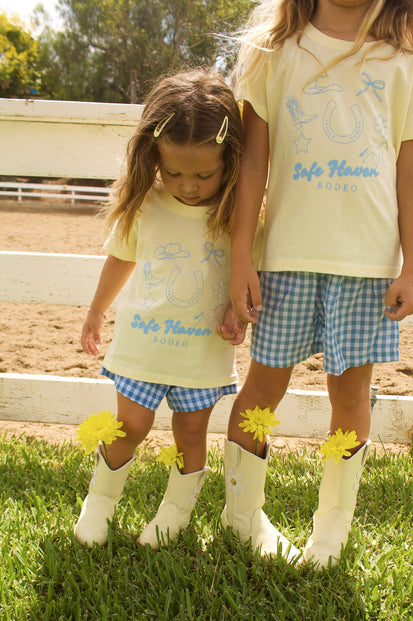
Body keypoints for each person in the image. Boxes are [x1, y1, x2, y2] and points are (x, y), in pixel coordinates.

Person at [219, 0, 413, 567]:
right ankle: (242, 514)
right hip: (286, 258)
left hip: (366, 265)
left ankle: (331, 530)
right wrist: (240, 258)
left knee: (349, 396)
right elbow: (252, 166)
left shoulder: (408, 63)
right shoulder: (275, 53)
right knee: (262, 390)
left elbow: (412, 171)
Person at [74, 69, 247, 550]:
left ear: (229, 160)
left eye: (203, 174)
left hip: (201, 353)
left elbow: (249, 277)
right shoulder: (146, 204)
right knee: (129, 426)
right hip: (142, 347)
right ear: (154, 157)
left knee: (191, 432)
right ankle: (99, 503)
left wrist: (239, 311)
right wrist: (95, 311)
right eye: (172, 172)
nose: (187, 185)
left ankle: (175, 511)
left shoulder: (239, 215)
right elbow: (121, 258)